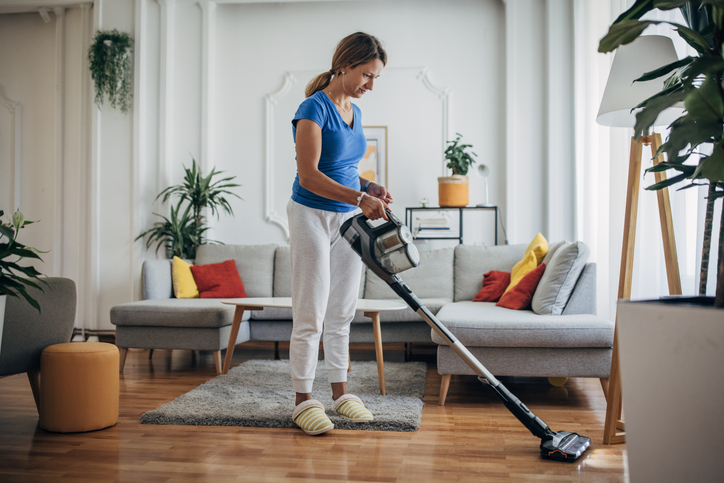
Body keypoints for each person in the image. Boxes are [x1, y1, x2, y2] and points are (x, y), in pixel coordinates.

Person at [287, 32, 391, 435]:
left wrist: (368, 188)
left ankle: (340, 394)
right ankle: (303, 399)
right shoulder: (312, 109)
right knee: (311, 308)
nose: (370, 84)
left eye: (376, 78)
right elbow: (310, 175)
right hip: (311, 214)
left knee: (342, 310)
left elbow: (343, 167)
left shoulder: (355, 111)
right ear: (344, 65)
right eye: (366, 75)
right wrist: (358, 196)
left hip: (348, 219)